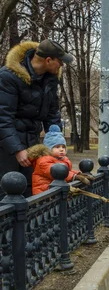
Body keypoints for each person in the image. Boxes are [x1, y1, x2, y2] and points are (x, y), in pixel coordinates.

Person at [0, 39, 73, 196]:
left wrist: (57, 144)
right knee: (8, 190)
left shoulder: (50, 80)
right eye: (60, 61)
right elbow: (3, 118)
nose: (61, 65)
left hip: (31, 143)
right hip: (6, 147)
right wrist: (17, 149)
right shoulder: (8, 77)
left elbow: (52, 114)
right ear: (48, 60)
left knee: (30, 189)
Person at [27, 125, 92, 195]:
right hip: (44, 195)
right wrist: (74, 176)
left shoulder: (61, 159)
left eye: (63, 147)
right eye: (57, 147)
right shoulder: (43, 161)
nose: (61, 149)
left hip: (54, 193)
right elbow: (56, 172)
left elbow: (67, 171)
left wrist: (78, 174)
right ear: (48, 149)